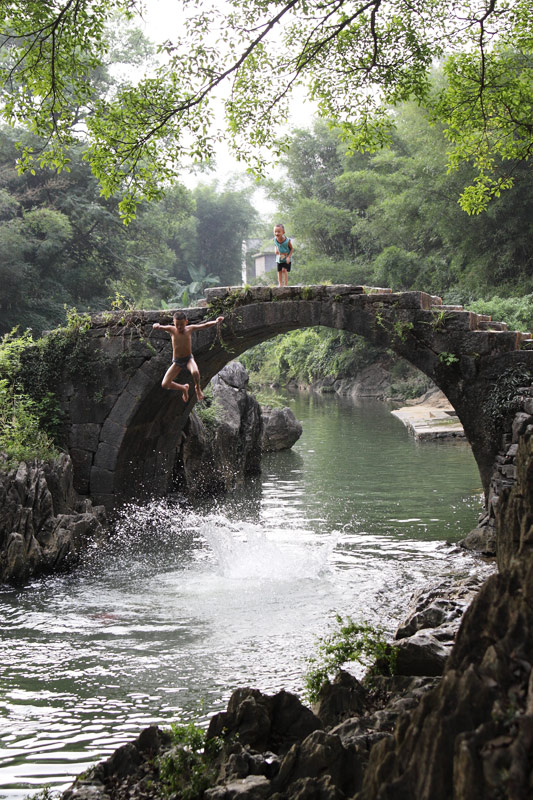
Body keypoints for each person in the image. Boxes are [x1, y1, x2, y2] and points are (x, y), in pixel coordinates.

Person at [153, 311, 224, 401]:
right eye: (177, 324)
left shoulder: (189, 329)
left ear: (186, 322)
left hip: (188, 359)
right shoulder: (172, 329)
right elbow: (159, 327)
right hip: (177, 361)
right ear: (174, 323)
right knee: (165, 384)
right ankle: (183, 388)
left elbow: (204, 325)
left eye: (181, 324)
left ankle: (197, 388)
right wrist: (156, 325)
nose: (179, 327)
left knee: (195, 372)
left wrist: (215, 322)